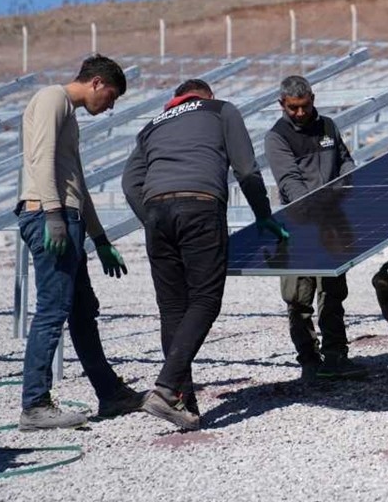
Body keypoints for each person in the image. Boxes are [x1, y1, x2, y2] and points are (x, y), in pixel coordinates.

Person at [122, 78, 289, 431]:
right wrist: (263, 214)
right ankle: (166, 389)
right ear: (207, 96)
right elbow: (245, 168)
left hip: (155, 211)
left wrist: (151, 219)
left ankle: (184, 405)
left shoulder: (152, 125)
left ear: (177, 99)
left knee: (172, 308)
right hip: (199, 205)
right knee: (205, 299)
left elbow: (129, 182)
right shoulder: (221, 109)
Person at [15, 54, 142, 431]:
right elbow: (41, 160)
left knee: (83, 312)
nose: (110, 107)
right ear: (98, 83)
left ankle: (110, 394)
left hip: (67, 218)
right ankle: (35, 405)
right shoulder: (52, 98)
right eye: (112, 97)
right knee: (53, 310)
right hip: (48, 216)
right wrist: (53, 215)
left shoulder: (68, 115)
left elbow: (78, 184)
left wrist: (100, 237)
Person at [264, 75, 366, 383]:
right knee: (298, 297)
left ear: (313, 99)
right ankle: (309, 359)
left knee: (333, 291)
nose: (299, 113)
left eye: (304, 106)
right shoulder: (277, 137)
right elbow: (290, 183)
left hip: (334, 220)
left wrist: (347, 180)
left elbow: (346, 160)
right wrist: (318, 205)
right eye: (292, 108)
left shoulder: (329, 127)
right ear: (281, 104)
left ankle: (336, 356)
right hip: (300, 224)